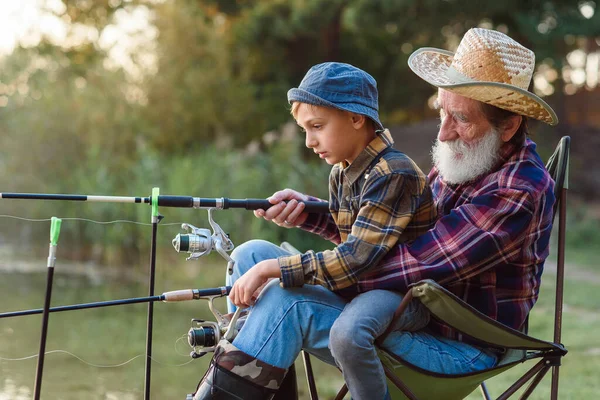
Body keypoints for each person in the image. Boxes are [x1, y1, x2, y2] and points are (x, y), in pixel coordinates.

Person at [188, 27, 558, 400]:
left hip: (455, 344)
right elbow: (387, 234)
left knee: (288, 297)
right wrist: (309, 214)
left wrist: (288, 270)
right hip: (402, 309)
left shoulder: (519, 189)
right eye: (442, 113)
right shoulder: (466, 162)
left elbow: (410, 264)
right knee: (251, 254)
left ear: (508, 125)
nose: (443, 134)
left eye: (461, 118)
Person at [190, 61, 436, 400]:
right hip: (360, 288)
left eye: (317, 126)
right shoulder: (341, 172)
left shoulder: (394, 172)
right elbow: (347, 236)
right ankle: (255, 380)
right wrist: (302, 213)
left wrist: (273, 269)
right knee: (248, 254)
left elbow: (355, 259)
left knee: (272, 281)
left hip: (397, 298)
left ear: (355, 118)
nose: (309, 141)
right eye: (305, 129)